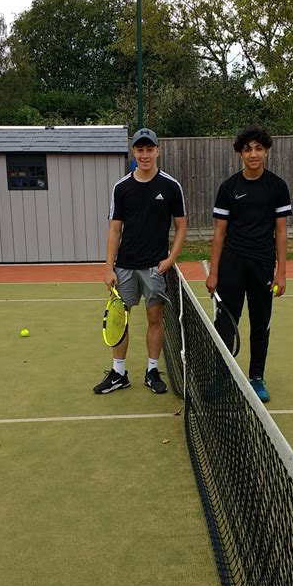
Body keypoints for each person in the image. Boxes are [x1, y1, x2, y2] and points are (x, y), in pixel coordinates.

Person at [94, 127, 187, 395]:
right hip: (124, 267)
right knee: (120, 320)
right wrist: (108, 267)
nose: (145, 154)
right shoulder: (121, 188)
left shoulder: (171, 186)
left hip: (154, 268)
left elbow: (181, 226)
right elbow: (115, 229)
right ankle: (119, 374)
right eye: (140, 149)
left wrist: (171, 258)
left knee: (154, 318)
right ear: (133, 152)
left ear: (157, 150)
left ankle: (152, 370)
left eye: (149, 149)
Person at [205, 125, 292, 403]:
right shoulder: (228, 188)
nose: (253, 154)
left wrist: (282, 272)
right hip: (232, 264)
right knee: (226, 324)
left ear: (266, 151)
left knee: (260, 323)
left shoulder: (277, 187)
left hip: (263, 265)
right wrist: (214, 272)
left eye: (258, 148)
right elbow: (219, 232)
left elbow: (280, 231)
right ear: (240, 154)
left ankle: (256, 377)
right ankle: (222, 378)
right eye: (247, 149)